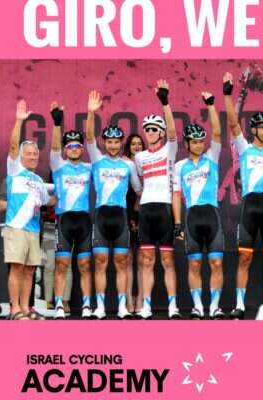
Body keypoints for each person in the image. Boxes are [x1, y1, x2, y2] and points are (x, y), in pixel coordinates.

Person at [223, 72, 263, 319]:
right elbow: (233, 122)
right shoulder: (244, 148)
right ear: (254, 130)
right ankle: (239, 304)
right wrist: (227, 94)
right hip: (248, 208)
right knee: (244, 259)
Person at [86, 90, 142, 319]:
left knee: (121, 262)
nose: (112, 145)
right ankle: (100, 307)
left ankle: (121, 307)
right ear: (105, 143)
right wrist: (91, 113)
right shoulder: (97, 159)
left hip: (120, 218)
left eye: (116, 142)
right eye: (108, 142)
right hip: (101, 216)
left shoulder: (129, 165)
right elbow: (89, 138)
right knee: (100, 263)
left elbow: (138, 190)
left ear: (121, 143)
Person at [173, 92, 225, 320]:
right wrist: (177, 223)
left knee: (216, 263)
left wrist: (211, 105)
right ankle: (196, 306)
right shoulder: (179, 166)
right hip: (192, 217)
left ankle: (214, 307)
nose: (199, 145)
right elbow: (176, 195)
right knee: (194, 264)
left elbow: (218, 133)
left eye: (201, 141)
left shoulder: (212, 157)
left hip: (212, 215)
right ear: (187, 144)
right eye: (194, 141)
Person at [134, 80, 181, 319]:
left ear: (161, 133)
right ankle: (146, 306)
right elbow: (140, 185)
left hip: (164, 209)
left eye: (154, 129)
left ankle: (173, 306)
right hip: (146, 209)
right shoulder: (139, 157)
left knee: (167, 260)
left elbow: (173, 132)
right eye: (147, 129)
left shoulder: (169, 150)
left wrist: (165, 103)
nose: (150, 133)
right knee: (146, 260)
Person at [3, 100, 54, 320]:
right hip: (16, 228)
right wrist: (19, 121)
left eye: (35, 154)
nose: (33, 157)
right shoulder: (14, 170)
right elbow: (14, 146)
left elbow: (47, 201)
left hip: (34, 229)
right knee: (16, 268)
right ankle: (14, 309)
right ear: (21, 156)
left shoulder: (39, 181)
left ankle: (25, 308)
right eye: (29, 153)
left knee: (30, 270)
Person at [48, 102, 94, 319]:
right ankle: (59, 305)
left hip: (84, 220)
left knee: (85, 265)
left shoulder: (90, 167)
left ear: (82, 149)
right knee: (61, 264)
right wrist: (57, 124)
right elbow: (54, 148)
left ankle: (86, 305)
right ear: (65, 150)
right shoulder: (58, 165)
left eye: (77, 146)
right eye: (70, 146)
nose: (74, 149)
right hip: (64, 220)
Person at [123, 133, 146, 314]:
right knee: (128, 259)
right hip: (125, 212)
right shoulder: (122, 165)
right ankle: (129, 300)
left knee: (142, 260)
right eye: (133, 144)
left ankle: (141, 300)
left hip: (144, 213)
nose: (137, 146)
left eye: (139, 143)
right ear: (128, 147)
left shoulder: (147, 164)